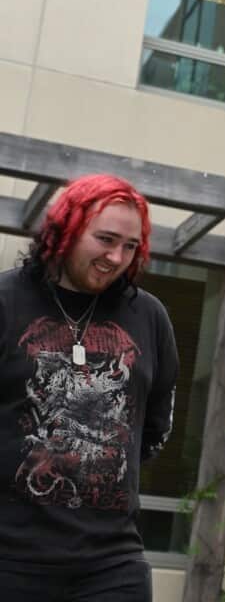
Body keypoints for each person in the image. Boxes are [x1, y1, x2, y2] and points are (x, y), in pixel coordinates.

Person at [0, 174, 178, 601]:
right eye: (105, 239)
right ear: (66, 230)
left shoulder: (150, 317)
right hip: (10, 559)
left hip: (112, 564)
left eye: (130, 246)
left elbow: (153, 427)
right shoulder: (6, 300)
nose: (116, 258)